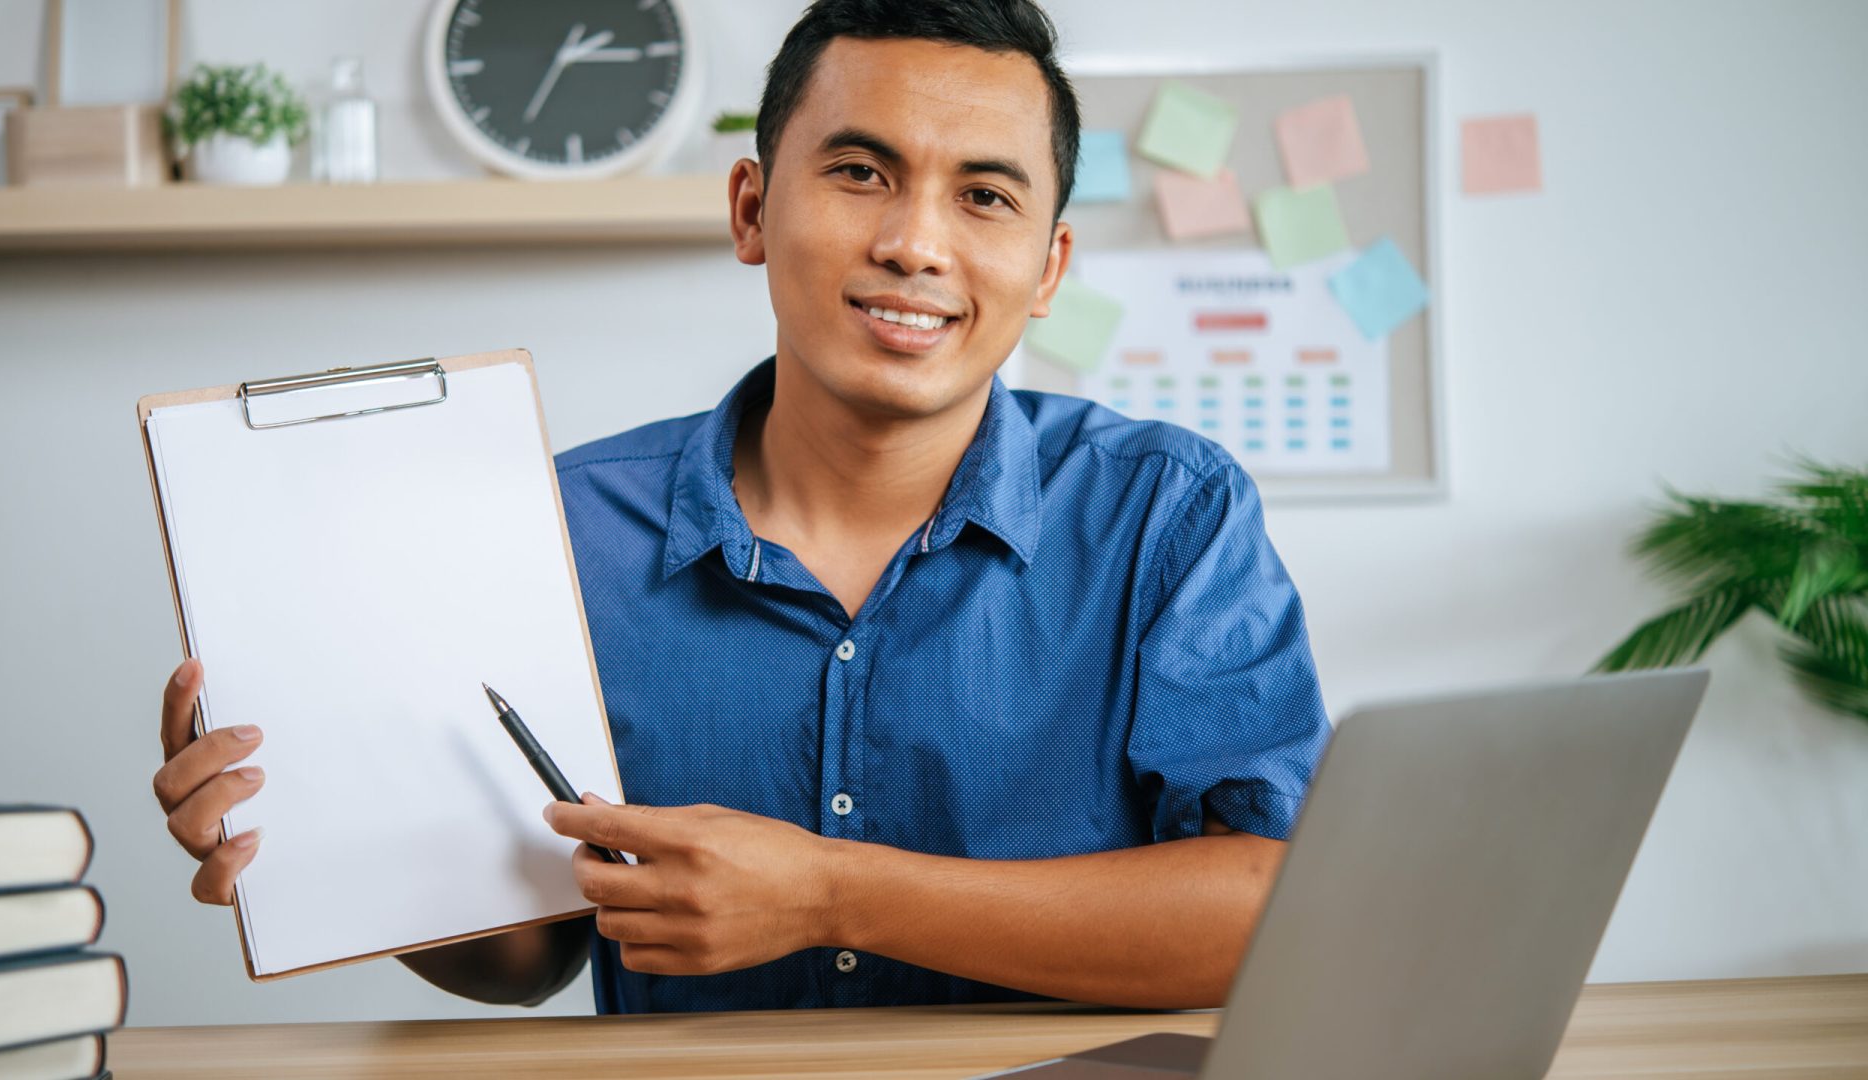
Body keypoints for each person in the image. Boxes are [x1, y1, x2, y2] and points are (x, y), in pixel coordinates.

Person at [150, 0, 1330, 1015]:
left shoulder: (1166, 513)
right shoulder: (556, 528)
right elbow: (529, 953)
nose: (916, 243)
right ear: (752, 212)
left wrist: (829, 891)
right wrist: (327, 845)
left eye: (983, 197)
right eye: (861, 172)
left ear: (1050, 270)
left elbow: (1270, 908)